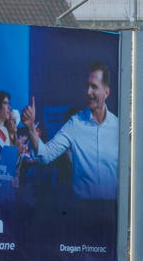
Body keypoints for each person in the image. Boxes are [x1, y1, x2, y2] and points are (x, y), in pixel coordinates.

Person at [21, 62, 119, 200]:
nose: (88, 92)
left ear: (106, 92)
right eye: (87, 86)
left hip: (111, 214)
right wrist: (31, 128)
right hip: (82, 212)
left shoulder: (119, 127)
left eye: (94, 87)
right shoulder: (75, 124)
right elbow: (46, 155)